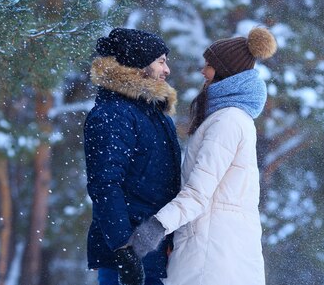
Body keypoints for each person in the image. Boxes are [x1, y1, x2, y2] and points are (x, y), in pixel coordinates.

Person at [127, 27, 277, 285]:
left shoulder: (227, 121)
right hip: (220, 245)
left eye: (208, 65)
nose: (202, 71)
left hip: (211, 252)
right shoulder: (228, 117)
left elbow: (198, 192)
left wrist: (156, 227)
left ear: (225, 72)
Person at [83, 27, 182, 285]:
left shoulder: (154, 113)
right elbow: (105, 184)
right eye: (160, 61)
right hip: (128, 258)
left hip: (153, 254)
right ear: (139, 65)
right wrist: (123, 249)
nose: (167, 70)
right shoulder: (113, 114)